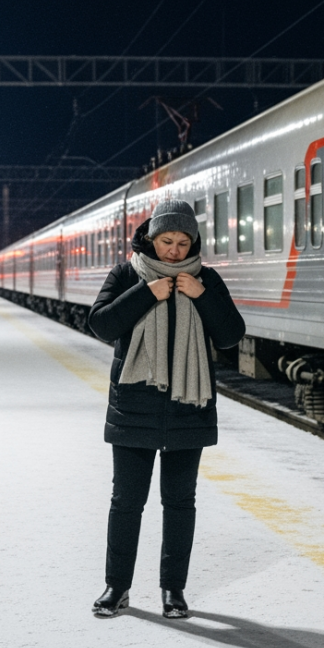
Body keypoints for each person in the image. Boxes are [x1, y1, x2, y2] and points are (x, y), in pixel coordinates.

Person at [87, 200, 245, 619]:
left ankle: (173, 591)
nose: (174, 251)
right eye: (166, 241)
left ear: (193, 242)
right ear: (151, 239)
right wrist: (146, 294)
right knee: (126, 502)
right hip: (134, 406)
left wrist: (203, 296)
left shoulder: (204, 279)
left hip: (187, 408)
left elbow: (231, 334)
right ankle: (116, 588)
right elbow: (101, 324)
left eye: (182, 242)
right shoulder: (127, 274)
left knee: (180, 503)